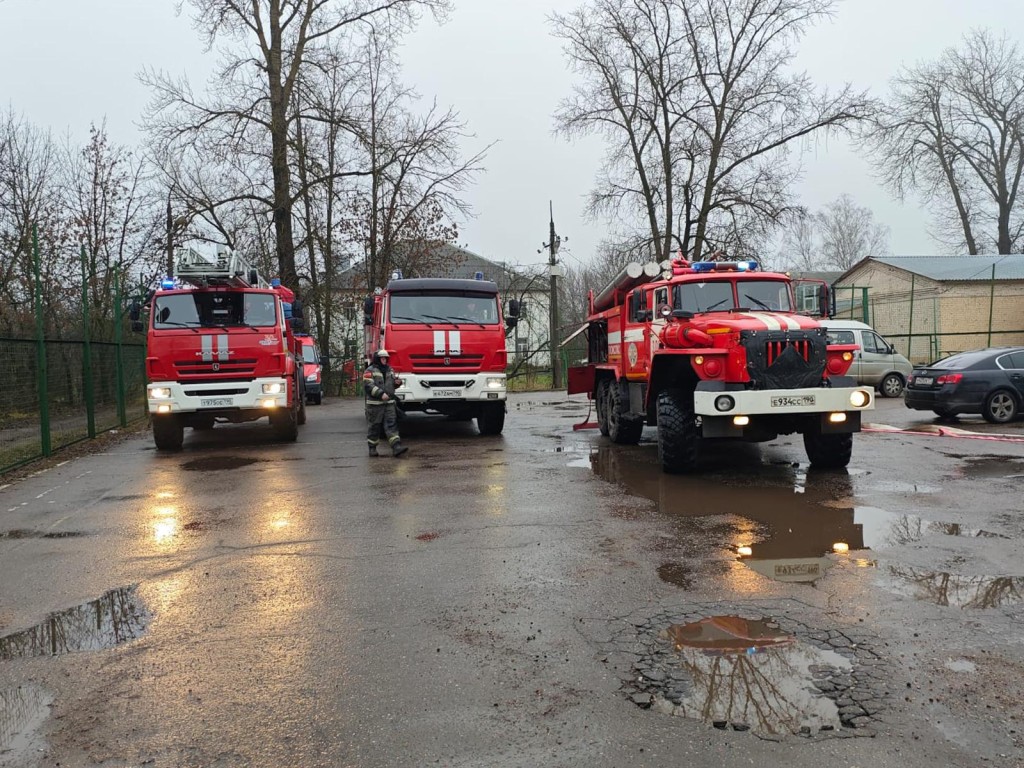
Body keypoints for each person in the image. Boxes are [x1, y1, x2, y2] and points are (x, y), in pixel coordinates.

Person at [362, 349, 408, 457]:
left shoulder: (390, 369)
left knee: (392, 425)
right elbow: (368, 385)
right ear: (377, 359)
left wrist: (397, 383)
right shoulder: (369, 370)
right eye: (382, 358)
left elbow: (392, 384)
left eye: (386, 358)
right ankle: (372, 448)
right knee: (374, 427)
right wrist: (380, 394)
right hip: (375, 405)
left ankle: (396, 447)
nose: (384, 360)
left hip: (389, 403)